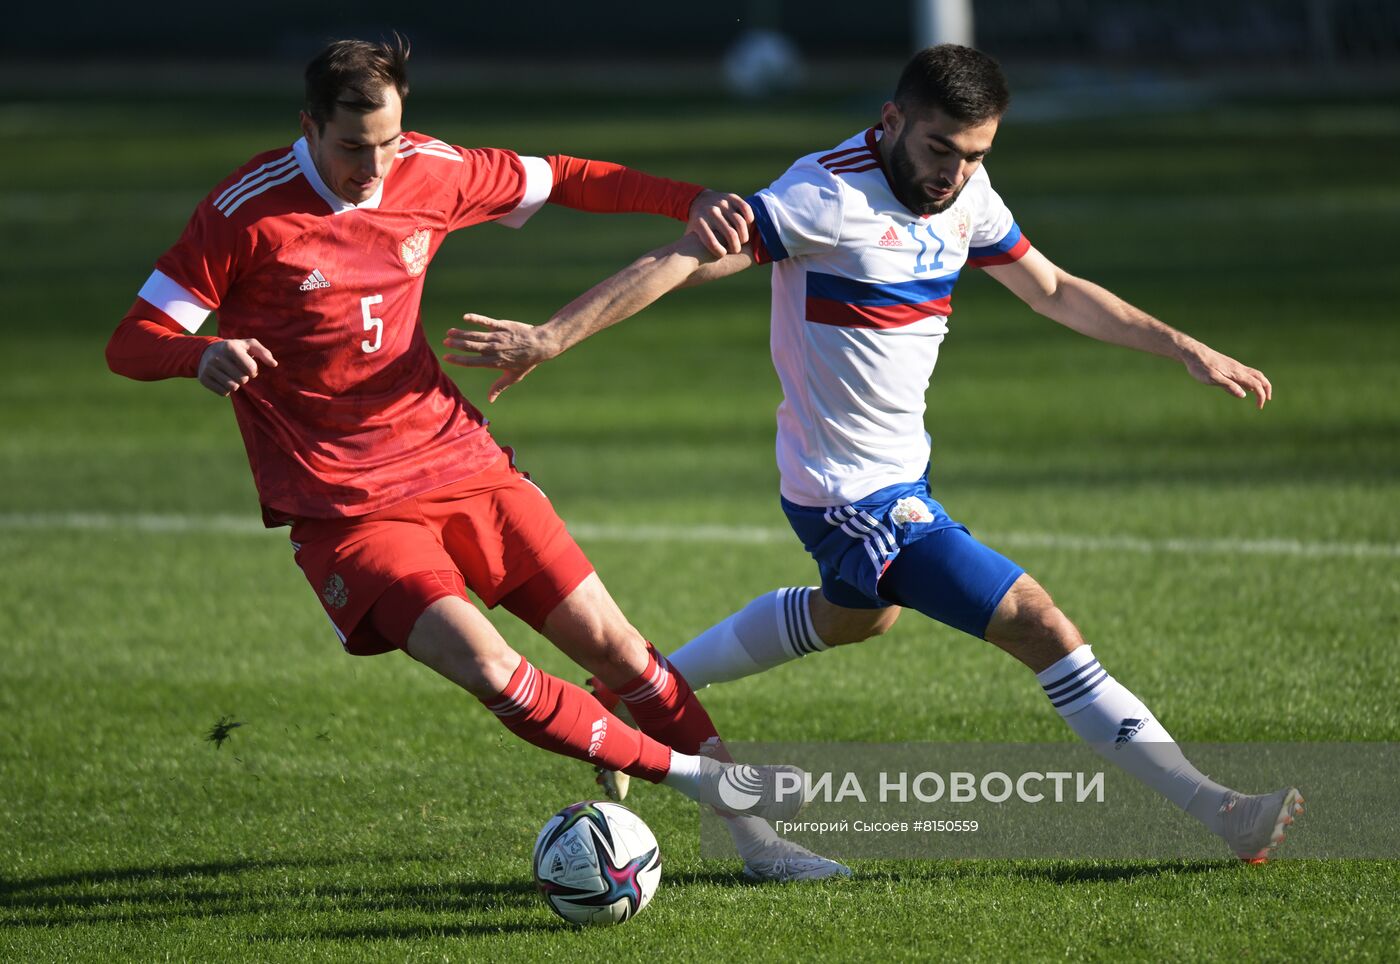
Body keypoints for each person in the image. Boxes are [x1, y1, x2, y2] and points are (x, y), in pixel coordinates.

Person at [444, 44, 1303, 863]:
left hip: (898, 475)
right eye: (940, 149)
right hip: (850, 496)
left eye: (974, 154)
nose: (955, 172)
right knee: (1042, 625)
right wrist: (554, 334)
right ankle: (1217, 808)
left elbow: (1051, 288)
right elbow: (685, 259)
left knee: (856, 616)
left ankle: (625, 703)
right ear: (891, 120)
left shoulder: (966, 193)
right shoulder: (823, 194)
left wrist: (1184, 346)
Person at [104, 36, 850, 882]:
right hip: (346, 508)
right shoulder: (246, 211)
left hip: (460, 461)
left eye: (388, 141)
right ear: (307, 127)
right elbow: (131, 340)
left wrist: (693, 200)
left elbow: (567, 175)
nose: (374, 166)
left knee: (619, 648)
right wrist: (194, 355)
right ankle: (712, 787)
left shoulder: (432, 168)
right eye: (352, 147)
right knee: (493, 668)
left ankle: (759, 843)